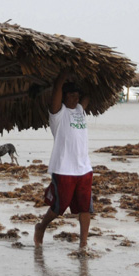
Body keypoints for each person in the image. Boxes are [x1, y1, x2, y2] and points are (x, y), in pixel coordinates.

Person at [34, 70, 94, 250]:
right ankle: (41, 227)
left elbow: (90, 95)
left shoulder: (79, 110)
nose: (75, 98)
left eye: (77, 95)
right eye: (71, 95)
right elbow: (56, 93)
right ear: (64, 96)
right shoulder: (58, 114)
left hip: (84, 168)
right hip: (63, 169)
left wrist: (86, 77)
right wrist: (62, 76)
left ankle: (83, 244)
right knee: (59, 207)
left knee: (86, 207)